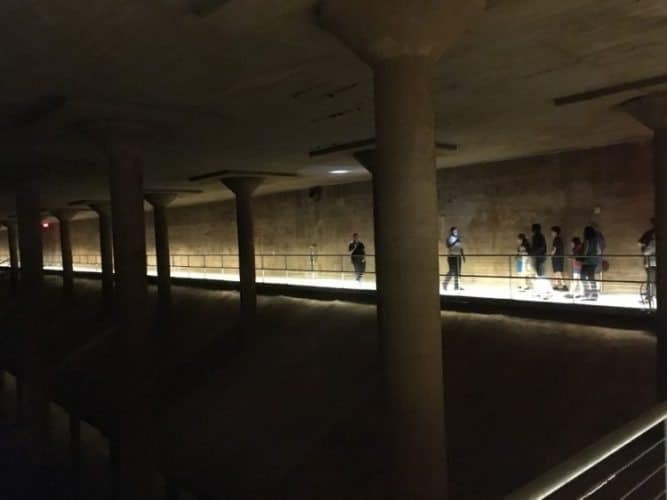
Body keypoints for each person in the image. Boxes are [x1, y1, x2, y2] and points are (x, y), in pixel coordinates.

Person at [529, 223, 550, 298]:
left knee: (540, 274)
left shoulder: (537, 236)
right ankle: (542, 291)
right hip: (540, 257)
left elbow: (540, 247)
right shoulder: (540, 236)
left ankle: (545, 292)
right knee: (540, 274)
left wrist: (532, 253)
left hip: (539, 257)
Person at [579, 226, 599, 301]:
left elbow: (585, 251)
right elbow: (599, 250)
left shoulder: (587, 240)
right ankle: (594, 294)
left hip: (587, 261)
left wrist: (581, 257)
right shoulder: (595, 240)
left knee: (582, 276)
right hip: (594, 261)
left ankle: (587, 293)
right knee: (591, 278)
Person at [639, 218, 657, 304]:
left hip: (651, 262)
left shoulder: (650, 234)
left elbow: (645, 250)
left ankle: (649, 298)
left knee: (651, 280)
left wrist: (643, 249)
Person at [443, 227, 465, 291]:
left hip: (458, 257)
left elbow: (460, 248)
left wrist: (463, 256)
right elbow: (448, 246)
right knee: (452, 271)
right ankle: (445, 284)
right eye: (454, 231)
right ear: (451, 232)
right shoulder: (449, 238)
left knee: (458, 272)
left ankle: (457, 286)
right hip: (452, 256)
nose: (456, 232)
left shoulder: (458, 239)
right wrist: (455, 241)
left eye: (456, 231)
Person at [551, 226, 566, 291]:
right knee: (557, 272)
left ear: (555, 232)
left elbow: (554, 249)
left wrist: (551, 254)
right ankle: (556, 285)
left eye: (552, 232)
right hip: (559, 257)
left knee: (558, 271)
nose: (551, 233)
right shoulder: (559, 239)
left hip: (557, 258)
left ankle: (564, 285)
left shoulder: (556, 239)